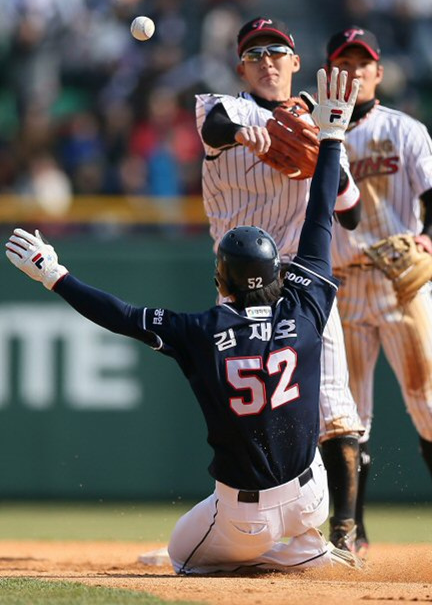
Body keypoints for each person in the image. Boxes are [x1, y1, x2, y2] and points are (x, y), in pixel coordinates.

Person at [5, 68, 363, 574]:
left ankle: (269, 559)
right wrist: (331, 138)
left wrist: (55, 275)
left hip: (246, 518)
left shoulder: (202, 332)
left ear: (224, 278)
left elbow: (122, 316)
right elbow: (322, 215)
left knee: (180, 557)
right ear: (278, 273)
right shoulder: (307, 310)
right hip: (311, 499)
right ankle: (307, 548)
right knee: (300, 478)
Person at [192, 16, 365, 554]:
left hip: (303, 278)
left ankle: (343, 535)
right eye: (255, 53)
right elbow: (215, 126)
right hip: (239, 287)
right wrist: (249, 134)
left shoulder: (319, 121)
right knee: (248, 413)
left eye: (277, 51)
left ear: (295, 62)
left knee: (335, 406)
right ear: (241, 66)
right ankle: (253, 528)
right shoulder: (225, 107)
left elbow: (351, 213)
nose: (267, 60)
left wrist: (324, 145)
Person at [325, 25, 432, 561]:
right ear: (328, 75)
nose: (353, 71)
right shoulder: (318, 132)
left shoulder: (404, 130)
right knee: (348, 415)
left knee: (431, 406)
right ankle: (352, 530)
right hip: (341, 285)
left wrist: (427, 240)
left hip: (400, 283)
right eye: (343, 63)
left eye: (362, 64)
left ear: (378, 74)